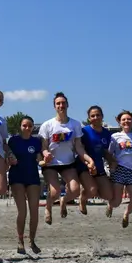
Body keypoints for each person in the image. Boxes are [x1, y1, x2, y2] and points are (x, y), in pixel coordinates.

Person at [38, 92, 95, 224]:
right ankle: (48, 208)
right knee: (54, 191)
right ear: (54, 107)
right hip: (51, 163)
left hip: (68, 162)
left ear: (67, 105)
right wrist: (46, 154)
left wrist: (89, 159)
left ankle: (63, 201)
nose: (61, 105)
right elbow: (44, 147)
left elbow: (79, 147)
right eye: (58, 103)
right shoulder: (47, 125)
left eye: (63, 103)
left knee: (75, 190)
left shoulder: (75, 124)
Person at [7, 115, 43, 254]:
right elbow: (7, 154)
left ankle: (32, 240)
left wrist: (44, 160)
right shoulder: (14, 140)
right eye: (24, 125)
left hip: (33, 177)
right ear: (20, 127)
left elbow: (39, 159)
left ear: (33, 127)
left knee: (34, 211)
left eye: (29, 126)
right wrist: (10, 158)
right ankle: (20, 240)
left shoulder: (36, 141)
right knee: (22, 211)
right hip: (17, 177)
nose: (27, 128)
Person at [108, 110, 132, 227]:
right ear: (119, 122)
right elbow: (109, 153)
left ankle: (126, 214)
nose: (126, 121)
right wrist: (111, 163)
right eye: (123, 119)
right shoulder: (115, 137)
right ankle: (110, 205)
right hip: (119, 169)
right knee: (117, 201)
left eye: (129, 119)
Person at [77, 106, 114, 215]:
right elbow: (80, 151)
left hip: (99, 166)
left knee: (109, 195)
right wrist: (88, 164)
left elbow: (106, 152)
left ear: (102, 116)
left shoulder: (107, 134)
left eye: (98, 115)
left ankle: (91, 189)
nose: (96, 117)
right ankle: (82, 199)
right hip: (83, 166)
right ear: (89, 118)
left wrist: (112, 161)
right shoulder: (84, 131)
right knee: (92, 190)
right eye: (92, 116)